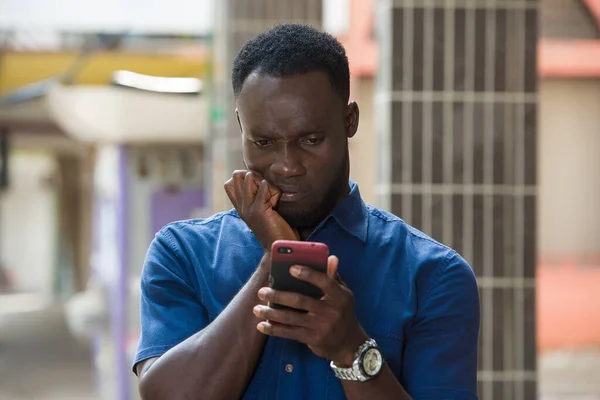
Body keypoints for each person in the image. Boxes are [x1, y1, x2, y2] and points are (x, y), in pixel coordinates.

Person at [133, 24, 480, 400]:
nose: (286, 166)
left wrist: (352, 349)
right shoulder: (182, 254)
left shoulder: (432, 276)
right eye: (263, 142)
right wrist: (277, 255)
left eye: (310, 140)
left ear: (350, 122)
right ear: (240, 128)